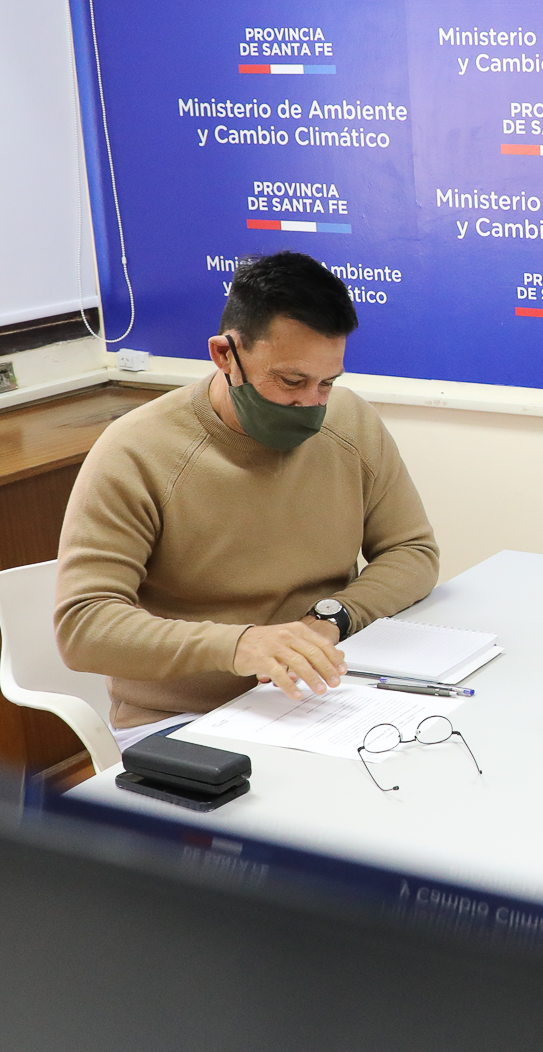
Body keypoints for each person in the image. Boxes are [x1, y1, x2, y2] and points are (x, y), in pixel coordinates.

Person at [56, 251, 440, 745]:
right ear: (224, 355)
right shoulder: (137, 451)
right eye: (291, 381)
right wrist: (241, 645)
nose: (311, 403)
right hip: (182, 717)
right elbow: (83, 625)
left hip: (322, 695)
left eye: (327, 383)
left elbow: (412, 551)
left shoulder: (349, 421)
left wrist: (331, 619)